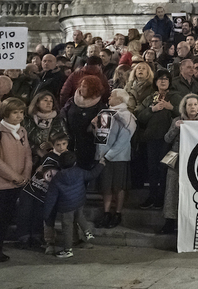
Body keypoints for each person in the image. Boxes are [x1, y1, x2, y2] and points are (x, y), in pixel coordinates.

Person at [43, 151, 104, 258]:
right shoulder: (79, 172)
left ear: (59, 164)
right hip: (79, 201)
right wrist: (101, 164)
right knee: (80, 216)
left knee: (67, 227)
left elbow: (51, 198)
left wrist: (46, 214)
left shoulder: (57, 179)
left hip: (66, 207)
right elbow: (92, 174)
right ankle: (88, 232)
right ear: (75, 163)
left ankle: (68, 250)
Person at [160, 94, 198, 234]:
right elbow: (167, 139)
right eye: (189, 105)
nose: (192, 107)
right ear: (184, 107)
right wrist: (175, 127)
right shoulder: (177, 120)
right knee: (172, 190)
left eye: (195, 104)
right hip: (177, 160)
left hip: (197, 162)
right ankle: (169, 221)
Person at [0, 98, 32, 262]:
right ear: (6, 113)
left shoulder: (22, 131)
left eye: (21, 112)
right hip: (0, 184)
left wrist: (26, 174)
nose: (19, 116)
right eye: (15, 112)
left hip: (16, 183)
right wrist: (15, 177)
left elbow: (27, 154)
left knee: (6, 217)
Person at [16, 132, 67, 254]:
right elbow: (40, 165)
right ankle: (24, 237)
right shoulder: (48, 155)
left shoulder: (67, 158)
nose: (61, 147)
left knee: (39, 213)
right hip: (33, 187)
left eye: (64, 144)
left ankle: (37, 237)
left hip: (46, 192)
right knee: (25, 211)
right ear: (53, 145)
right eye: (58, 144)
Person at [136, 70, 179, 211]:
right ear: (156, 82)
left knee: (164, 169)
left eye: (166, 79)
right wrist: (152, 109)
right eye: (160, 79)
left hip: (169, 140)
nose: (163, 81)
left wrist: (171, 107)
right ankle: (152, 196)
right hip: (152, 138)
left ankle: (162, 198)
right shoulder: (150, 98)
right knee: (152, 168)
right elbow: (139, 116)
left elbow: (185, 111)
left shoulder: (175, 96)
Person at [95, 89, 137, 229]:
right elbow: (101, 135)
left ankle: (117, 213)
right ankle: (107, 213)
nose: (109, 97)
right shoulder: (105, 113)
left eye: (112, 95)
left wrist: (108, 155)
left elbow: (124, 139)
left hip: (118, 157)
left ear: (120, 99)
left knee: (119, 186)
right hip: (104, 157)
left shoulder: (127, 116)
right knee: (106, 186)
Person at [60, 76, 107, 170]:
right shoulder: (71, 101)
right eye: (80, 85)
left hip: (88, 148)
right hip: (70, 143)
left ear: (93, 89)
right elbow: (62, 117)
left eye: (84, 86)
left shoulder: (100, 108)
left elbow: (102, 133)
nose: (81, 88)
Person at [23, 92, 66, 168]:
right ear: (37, 103)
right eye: (45, 100)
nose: (49, 103)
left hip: (51, 158)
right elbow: (22, 138)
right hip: (28, 156)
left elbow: (65, 137)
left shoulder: (58, 120)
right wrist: (36, 149)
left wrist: (53, 145)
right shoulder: (28, 119)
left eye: (51, 101)